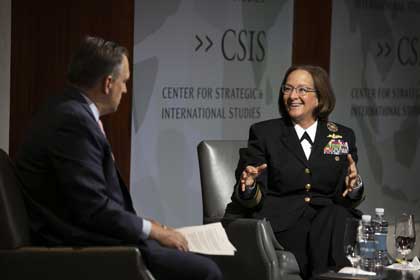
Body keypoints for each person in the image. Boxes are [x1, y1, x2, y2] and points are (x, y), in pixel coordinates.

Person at [15, 36, 222, 280]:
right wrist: (152, 231)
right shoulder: (72, 121)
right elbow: (92, 208)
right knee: (207, 271)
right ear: (108, 83)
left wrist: (147, 226)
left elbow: (89, 200)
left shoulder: (67, 109)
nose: (125, 89)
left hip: (92, 237)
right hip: (84, 247)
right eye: (124, 82)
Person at [228, 65, 364, 279]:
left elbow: (344, 198)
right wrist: (250, 185)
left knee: (337, 215)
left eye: (302, 90)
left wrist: (353, 186)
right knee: (326, 231)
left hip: (329, 221)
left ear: (319, 98)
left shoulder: (342, 136)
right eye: (287, 89)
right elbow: (250, 197)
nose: (292, 96)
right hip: (285, 221)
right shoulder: (265, 133)